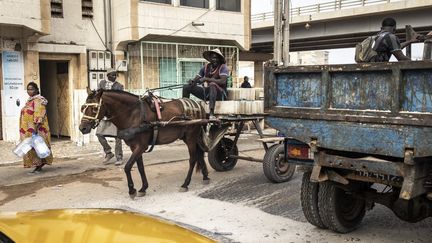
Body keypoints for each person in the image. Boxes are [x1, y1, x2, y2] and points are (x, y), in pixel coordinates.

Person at [182, 48, 229, 120]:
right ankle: (185, 111)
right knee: (186, 87)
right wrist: (193, 81)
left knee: (212, 84)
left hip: (220, 94)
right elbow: (198, 78)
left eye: (216, 58)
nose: (214, 60)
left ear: (219, 59)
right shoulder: (206, 67)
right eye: (213, 58)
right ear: (210, 58)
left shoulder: (223, 67)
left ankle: (211, 114)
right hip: (208, 93)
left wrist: (206, 79)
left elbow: (222, 81)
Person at [19, 82, 53, 174]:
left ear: (37, 90)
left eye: (31, 89)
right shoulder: (30, 101)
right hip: (28, 130)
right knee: (34, 147)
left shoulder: (38, 100)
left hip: (36, 129)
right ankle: (38, 165)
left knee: (37, 147)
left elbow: (39, 116)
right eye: (28, 89)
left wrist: (35, 130)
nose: (29, 91)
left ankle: (38, 166)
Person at [96, 68, 123, 165]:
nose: (115, 77)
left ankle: (119, 157)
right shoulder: (102, 83)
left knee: (118, 137)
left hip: (115, 115)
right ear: (107, 75)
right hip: (104, 114)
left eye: (115, 75)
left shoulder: (119, 86)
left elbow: (120, 100)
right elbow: (98, 96)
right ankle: (108, 152)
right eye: (112, 75)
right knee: (99, 134)